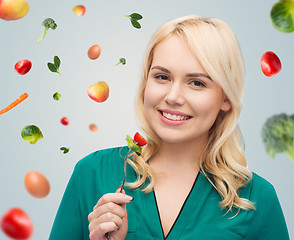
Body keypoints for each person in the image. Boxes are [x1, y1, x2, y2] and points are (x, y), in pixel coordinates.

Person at [49, 15, 290, 240]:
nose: (173, 96)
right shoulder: (93, 174)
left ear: (225, 98)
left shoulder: (257, 199)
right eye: (162, 77)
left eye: (196, 83)